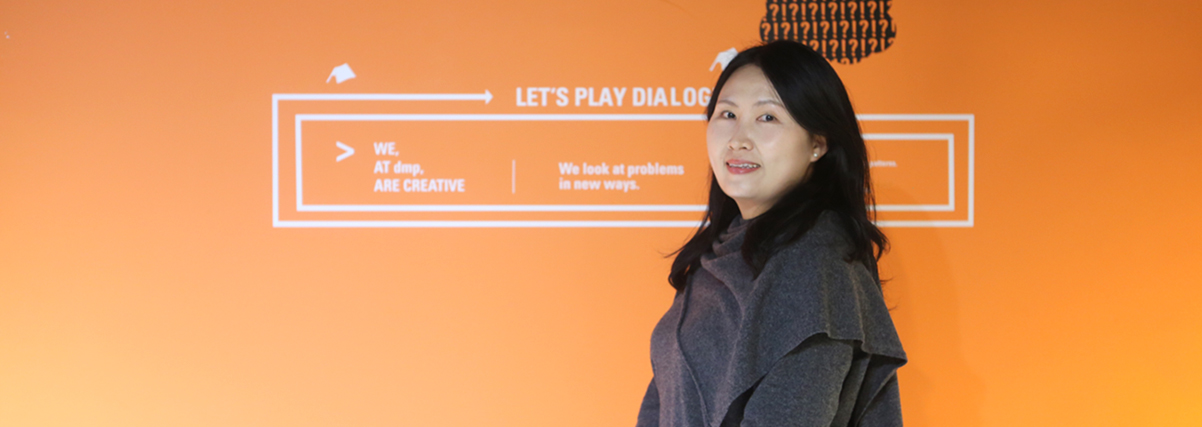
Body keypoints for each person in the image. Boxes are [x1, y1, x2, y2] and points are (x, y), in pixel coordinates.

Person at [636, 41, 907, 427]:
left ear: (817, 143)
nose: (738, 139)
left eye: (767, 118)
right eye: (728, 114)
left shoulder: (815, 266)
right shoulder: (719, 252)